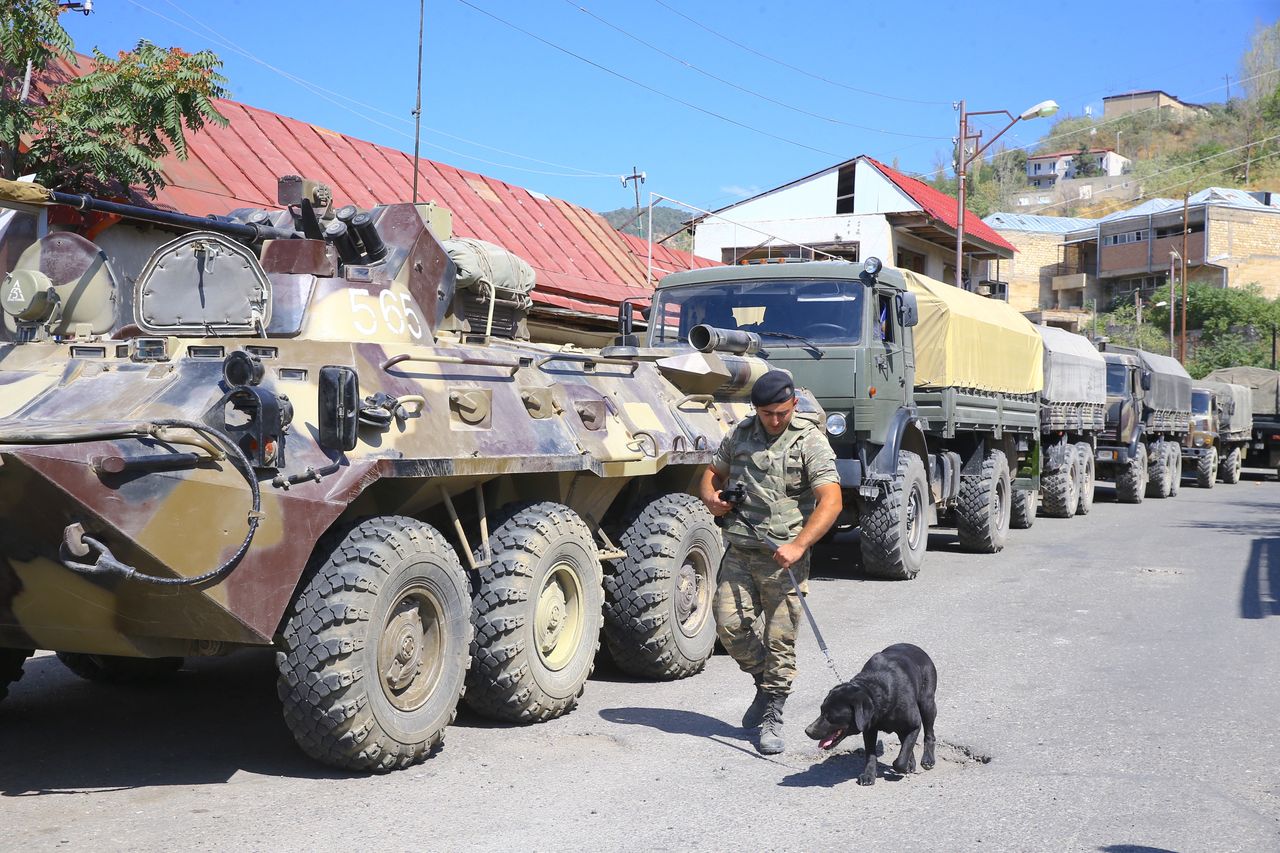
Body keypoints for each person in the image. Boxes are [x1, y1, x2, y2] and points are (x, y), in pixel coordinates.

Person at [699, 370, 842, 754]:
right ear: (756, 409)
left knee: (780, 639)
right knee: (730, 627)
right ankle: (766, 683)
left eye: (782, 412)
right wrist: (712, 498)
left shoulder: (809, 440)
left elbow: (831, 501)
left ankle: (773, 712)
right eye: (767, 414)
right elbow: (712, 474)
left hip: (784, 558)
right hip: (741, 549)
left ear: (793, 404)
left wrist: (799, 545)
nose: (775, 420)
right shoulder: (740, 434)